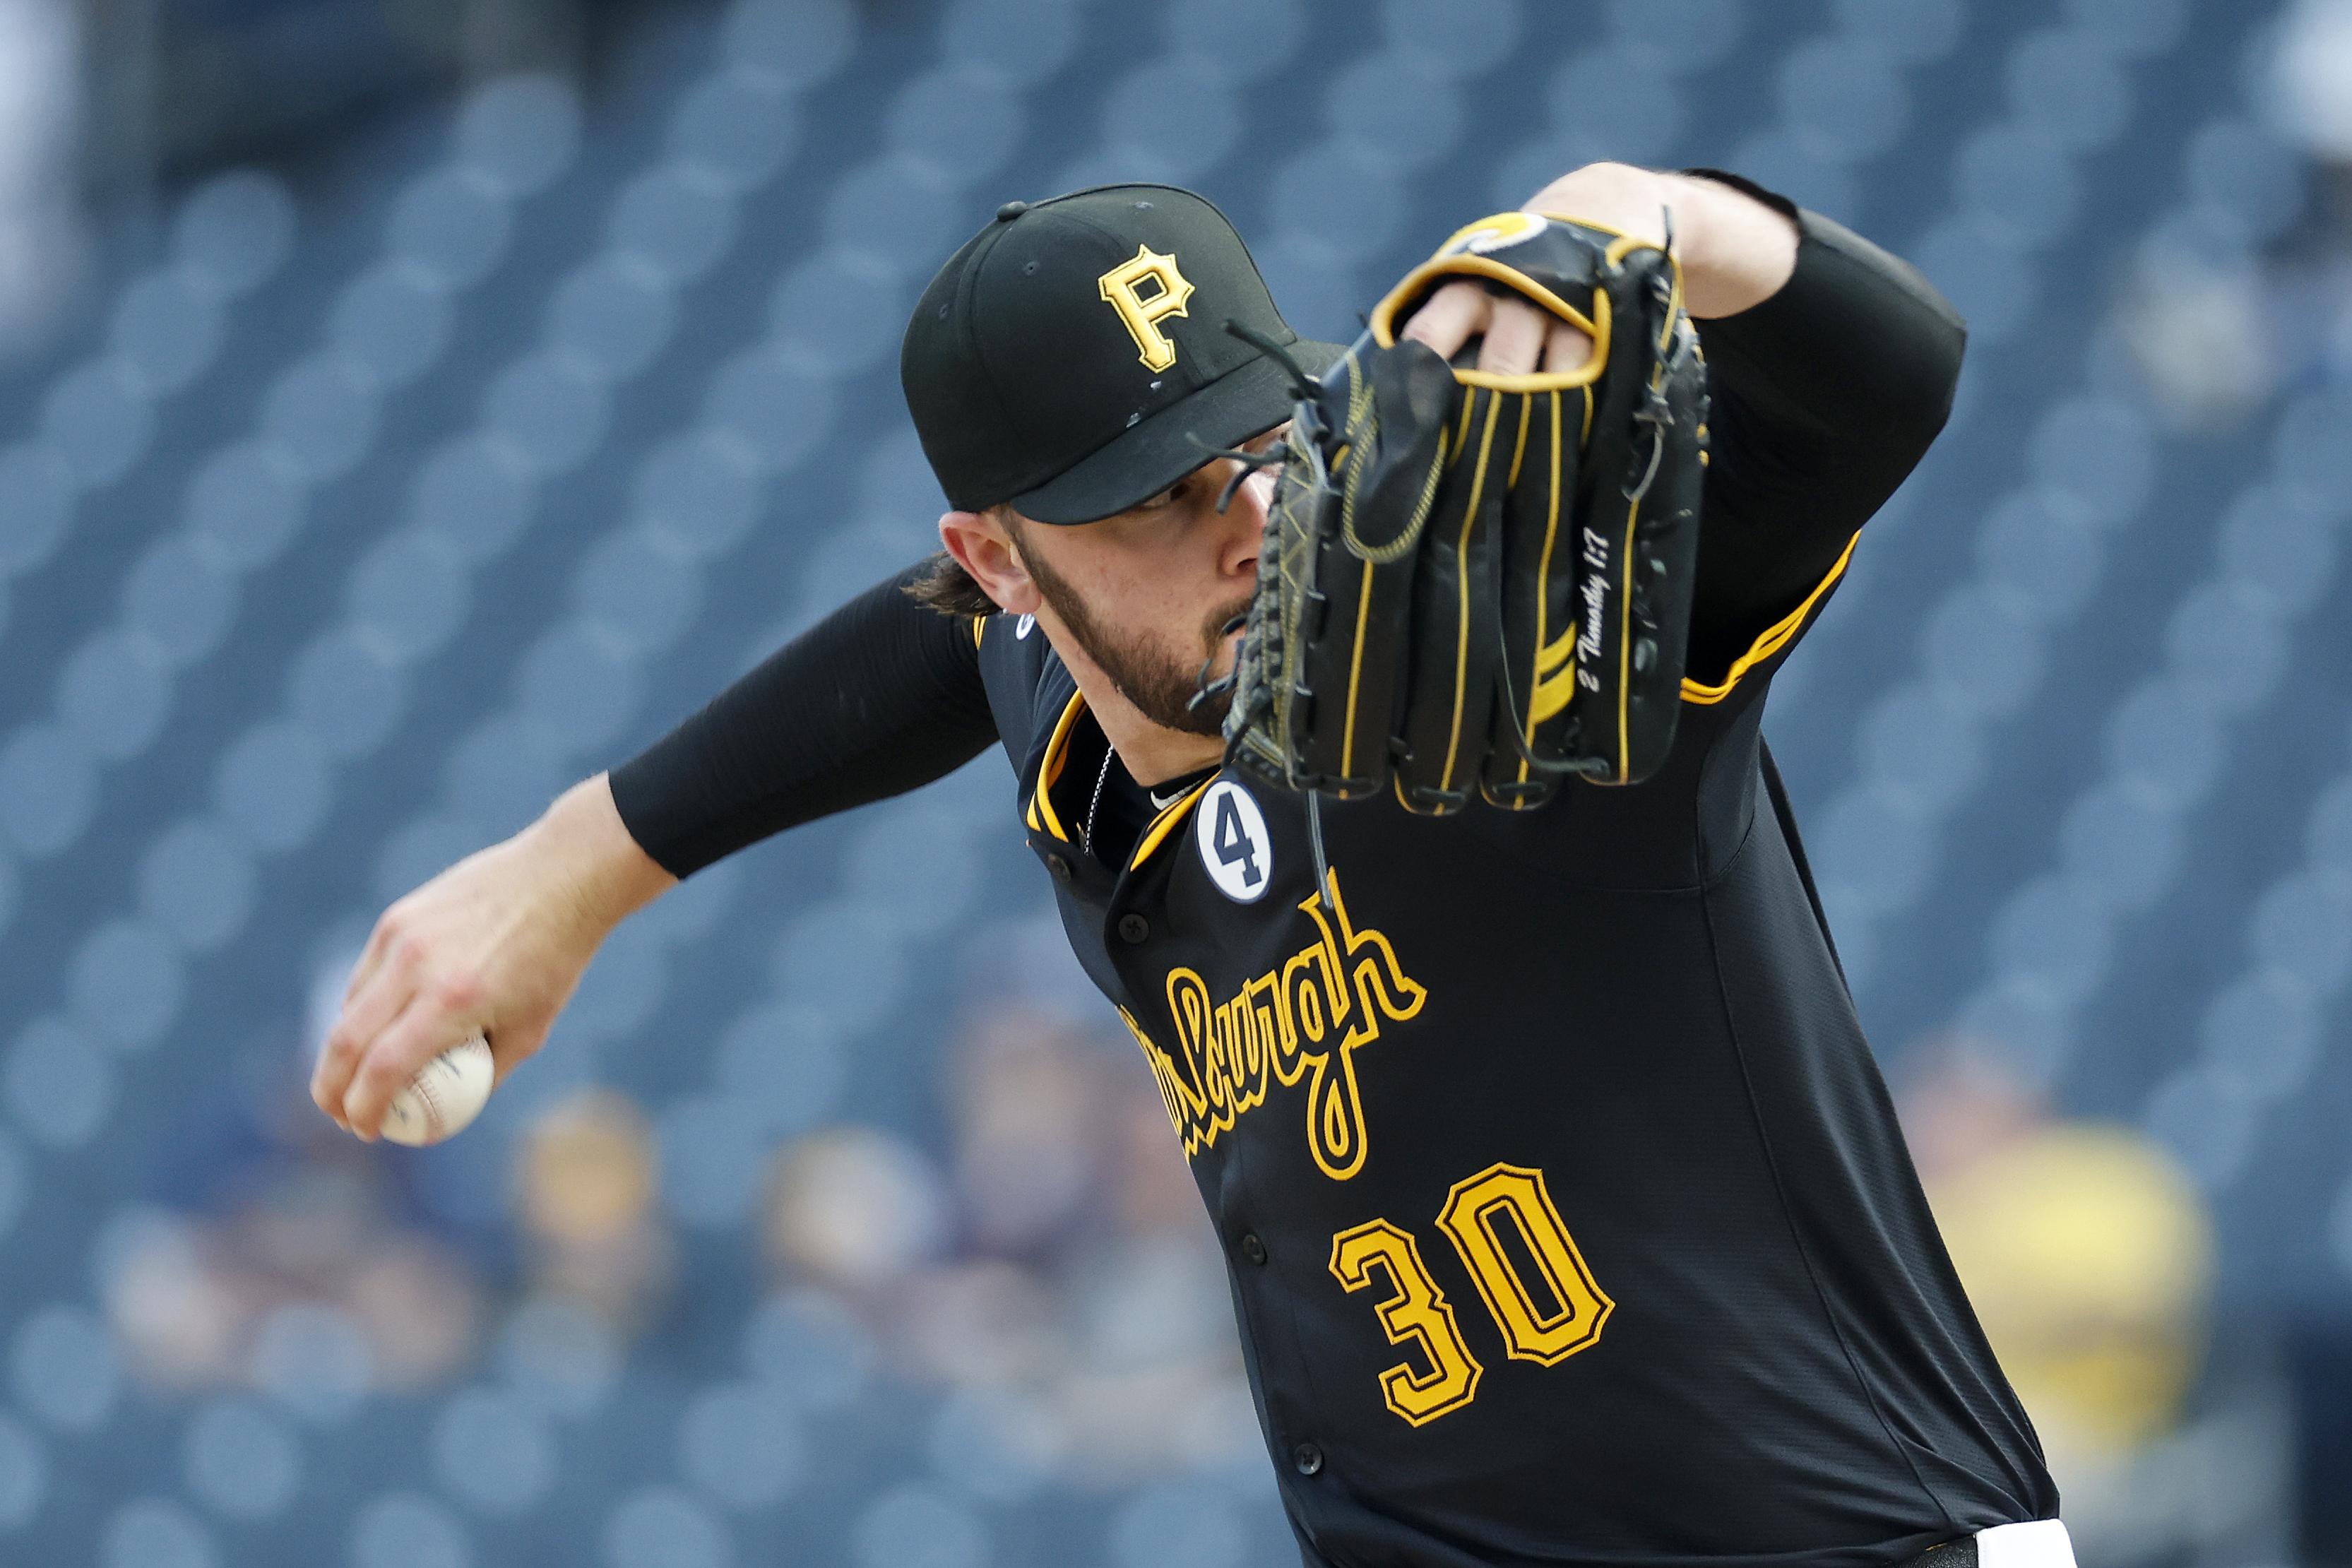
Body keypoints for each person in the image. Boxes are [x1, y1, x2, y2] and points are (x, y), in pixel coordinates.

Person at [314, 164, 2072, 1566]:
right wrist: (572, 870)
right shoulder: (1060, 692)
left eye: (1262, 447)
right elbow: (927, 663)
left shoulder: (1496, 634)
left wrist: (1650, 214)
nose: (1244, 529)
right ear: (998, 562)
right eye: (1154, 496)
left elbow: (1886, 382)